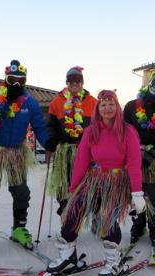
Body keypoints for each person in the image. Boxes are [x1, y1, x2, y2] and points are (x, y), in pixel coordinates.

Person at [45, 90, 146, 276]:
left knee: (107, 219)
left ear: (117, 107)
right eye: (103, 105)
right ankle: (67, 254)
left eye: (111, 104)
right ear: (98, 109)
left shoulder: (128, 131)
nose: (107, 108)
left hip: (117, 181)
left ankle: (114, 261)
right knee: (73, 210)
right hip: (94, 179)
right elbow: (81, 161)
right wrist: (73, 190)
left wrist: (137, 193)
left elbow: (134, 163)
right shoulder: (91, 131)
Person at [0, 60, 51, 251]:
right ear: (5, 79)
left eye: (19, 80)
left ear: (25, 82)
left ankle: (19, 227)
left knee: (21, 191)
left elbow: (39, 127)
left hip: (16, 152)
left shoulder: (30, 103)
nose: (15, 84)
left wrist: (47, 142)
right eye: (11, 80)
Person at [123, 70, 155, 258]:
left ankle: (154, 227)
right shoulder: (130, 107)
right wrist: (132, 154)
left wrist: (152, 154)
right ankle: (138, 225)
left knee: (154, 195)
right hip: (134, 158)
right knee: (135, 194)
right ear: (148, 83)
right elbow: (123, 132)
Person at [46, 66, 97, 216]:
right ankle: (66, 215)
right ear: (66, 82)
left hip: (86, 151)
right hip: (65, 151)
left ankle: (90, 214)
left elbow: (99, 127)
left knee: (87, 183)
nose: (75, 83)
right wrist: (50, 140)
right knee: (64, 185)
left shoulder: (93, 102)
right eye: (71, 80)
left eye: (78, 80)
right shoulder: (56, 102)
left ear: (82, 82)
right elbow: (51, 126)